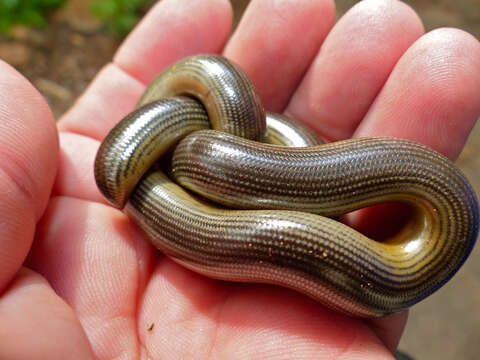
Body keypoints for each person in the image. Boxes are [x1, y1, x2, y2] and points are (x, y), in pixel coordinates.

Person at [1, 0, 479, 358]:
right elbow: (116, 178)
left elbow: (119, 178)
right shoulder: (171, 158)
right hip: (216, 166)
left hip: (215, 167)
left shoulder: (171, 158)